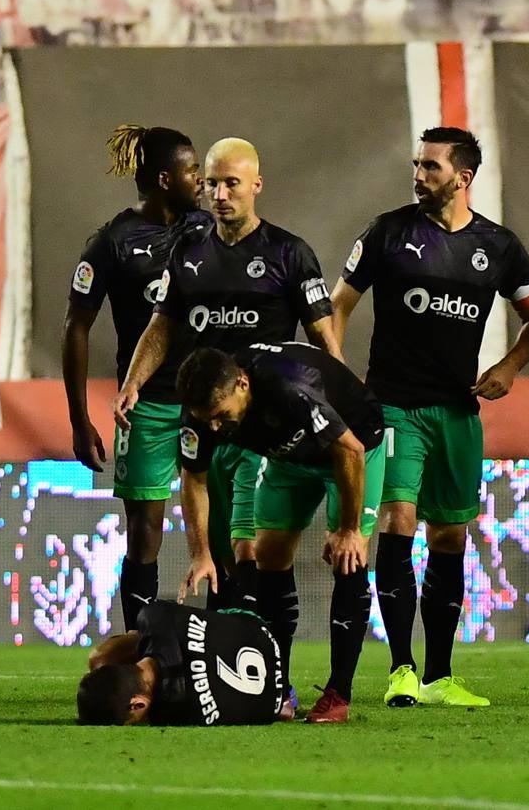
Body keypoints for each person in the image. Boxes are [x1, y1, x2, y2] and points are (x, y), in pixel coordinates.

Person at [332, 126, 529, 708]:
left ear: (464, 177)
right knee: (398, 520)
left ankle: (440, 675)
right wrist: (339, 375)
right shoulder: (388, 232)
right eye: (417, 165)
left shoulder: (499, 247)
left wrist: (508, 367)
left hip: (457, 411)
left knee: (450, 533)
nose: (419, 175)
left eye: (431, 167)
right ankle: (401, 669)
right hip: (394, 406)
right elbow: (337, 306)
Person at [112, 137, 339, 616]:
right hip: (207, 424)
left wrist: (336, 395)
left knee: (252, 548)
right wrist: (134, 381)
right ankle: (231, 669)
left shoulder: (290, 254)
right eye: (212, 183)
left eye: (231, 183)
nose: (219, 194)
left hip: (267, 426)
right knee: (215, 559)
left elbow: (323, 335)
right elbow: (161, 326)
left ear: (256, 185)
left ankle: (273, 677)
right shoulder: (188, 253)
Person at [175, 343, 386, 723]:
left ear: (242, 383)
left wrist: (348, 529)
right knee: (268, 553)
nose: (215, 428)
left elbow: (349, 449)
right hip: (289, 457)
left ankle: (338, 694)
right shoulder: (201, 413)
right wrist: (200, 552)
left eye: (221, 417)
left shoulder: (290, 386)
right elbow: (193, 478)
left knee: (348, 557)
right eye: (207, 420)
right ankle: (278, 687)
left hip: (353, 447)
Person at [63, 125, 207, 631]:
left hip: (209, 406)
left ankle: (226, 647)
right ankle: (140, 650)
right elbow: (76, 328)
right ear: (166, 179)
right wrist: (79, 421)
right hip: (147, 406)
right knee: (145, 533)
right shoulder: (112, 243)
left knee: (230, 528)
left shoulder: (209, 230)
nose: (203, 179)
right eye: (193, 171)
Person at [76, 600, 283, 726]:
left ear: (138, 703)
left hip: (272, 704)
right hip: (263, 634)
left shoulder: (173, 714)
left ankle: (286, 703)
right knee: (100, 657)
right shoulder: (153, 615)